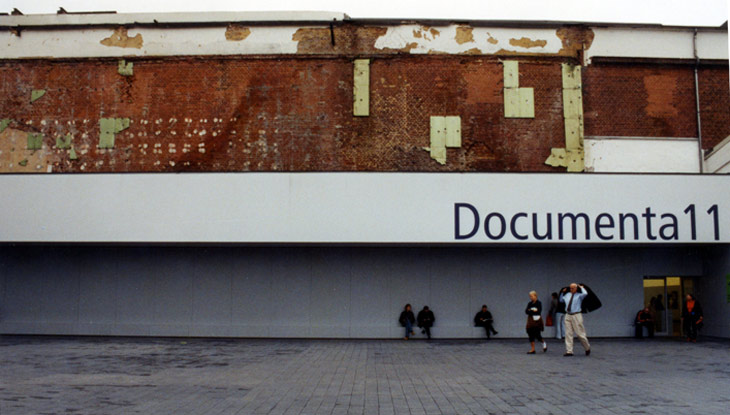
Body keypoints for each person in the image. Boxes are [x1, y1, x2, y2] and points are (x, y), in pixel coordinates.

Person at [559, 283, 591, 356]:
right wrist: (562, 293)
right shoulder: (567, 295)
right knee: (568, 333)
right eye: (570, 288)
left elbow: (585, 294)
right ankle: (569, 351)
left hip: (576, 315)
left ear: (576, 288)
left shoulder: (579, 295)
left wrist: (582, 288)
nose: (571, 289)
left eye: (573, 288)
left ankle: (587, 347)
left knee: (580, 334)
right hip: (568, 315)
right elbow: (561, 300)